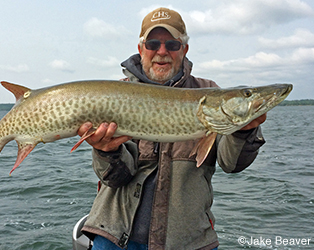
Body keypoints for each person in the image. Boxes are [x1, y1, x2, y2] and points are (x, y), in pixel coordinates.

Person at [78, 7, 266, 250]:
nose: (162, 52)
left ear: (184, 49)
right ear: (140, 48)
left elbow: (233, 164)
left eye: (172, 45)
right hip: (115, 238)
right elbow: (116, 177)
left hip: (187, 242)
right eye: (153, 43)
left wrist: (243, 131)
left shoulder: (208, 92)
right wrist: (106, 151)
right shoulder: (117, 96)